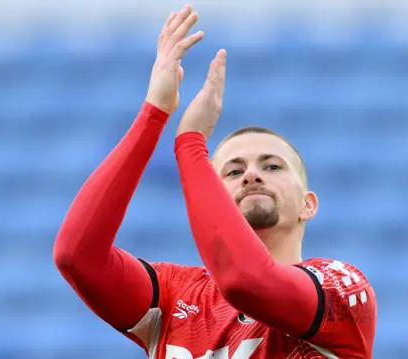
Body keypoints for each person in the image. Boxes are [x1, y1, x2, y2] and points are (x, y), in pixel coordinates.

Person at [53, 4, 377, 359]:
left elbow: (246, 280)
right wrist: (154, 113)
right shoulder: (175, 296)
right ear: (209, 197)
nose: (252, 174)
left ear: (308, 204)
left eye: (272, 166)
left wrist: (190, 142)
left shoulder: (340, 290)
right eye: (233, 172)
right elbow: (76, 256)